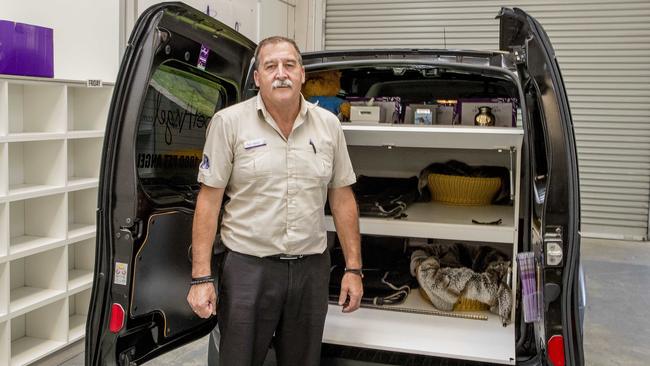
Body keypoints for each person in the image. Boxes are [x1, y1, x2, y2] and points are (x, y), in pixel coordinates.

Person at [186, 36, 363, 366]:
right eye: (270, 66)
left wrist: (353, 269)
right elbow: (208, 202)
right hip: (248, 270)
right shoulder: (229, 123)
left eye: (289, 65)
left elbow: (341, 198)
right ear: (257, 78)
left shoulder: (329, 126)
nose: (281, 73)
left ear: (302, 74)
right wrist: (201, 277)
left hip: (310, 270)